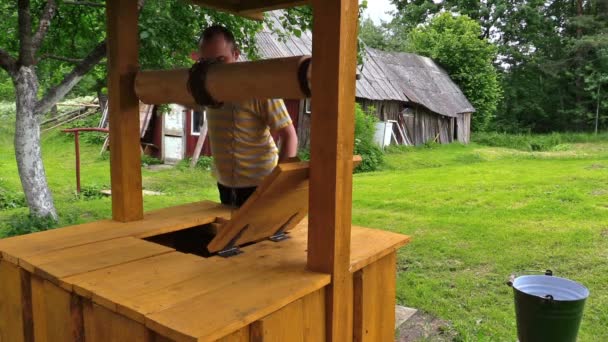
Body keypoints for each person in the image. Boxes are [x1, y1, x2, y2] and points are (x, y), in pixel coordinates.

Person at [198, 25, 298, 207]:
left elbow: (289, 135)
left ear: (236, 54)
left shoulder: (259, 87)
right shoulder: (205, 89)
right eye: (207, 62)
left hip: (260, 183)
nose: (215, 70)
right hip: (225, 185)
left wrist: (276, 183)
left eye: (221, 60)